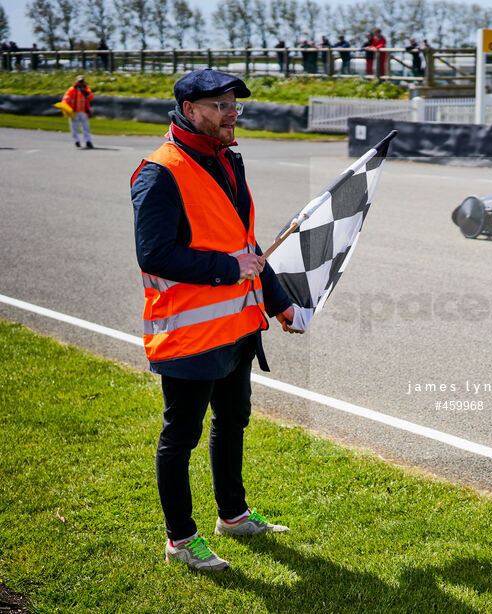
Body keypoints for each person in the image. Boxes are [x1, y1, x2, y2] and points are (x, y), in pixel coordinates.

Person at [131, 69, 303, 572]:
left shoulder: (229, 160)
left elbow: (244, 242)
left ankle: (232, 516)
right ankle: (180, 540)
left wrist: (277, 300)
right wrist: (228, 270)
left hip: (238, 327)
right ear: (190, 110)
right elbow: (155, 253)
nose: (232, 114)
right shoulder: (158, 172)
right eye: (221, 106)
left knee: (233, 421)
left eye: (235, 105)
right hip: (189, 332)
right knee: (180, 437)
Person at [63, 75, 95, 149]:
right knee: (74, 127)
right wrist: (66, 108)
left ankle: (88, 141)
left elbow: (91, 97)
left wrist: (85, 92)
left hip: (83, 112)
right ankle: (76, 141)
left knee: (86, 127)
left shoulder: (86, 89)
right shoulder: (72, 90)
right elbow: (65, 99)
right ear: (76, 82)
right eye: (79, 81)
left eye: (82, 81)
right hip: (74, 112)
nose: (81, 83)